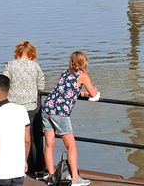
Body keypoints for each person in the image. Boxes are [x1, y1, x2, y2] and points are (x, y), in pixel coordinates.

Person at [41, 51, 100, 186]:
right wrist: (93, 92)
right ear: (84, 62)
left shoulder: (65, 72)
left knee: (49, 144)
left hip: (47, 107)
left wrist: (82, 93)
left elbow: (67, 90)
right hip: (61, 113)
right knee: (71, 146)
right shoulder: (83, 75)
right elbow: (94, 95)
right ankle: (75, 178)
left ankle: (51, 177)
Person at [3, 41, 46, 177]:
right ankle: (35, 168)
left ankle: (15, 164)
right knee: (32, 137)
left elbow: (3, 82)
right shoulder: (35, 66)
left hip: (13, 106)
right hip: (31, 107)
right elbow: (41, 87)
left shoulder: (10, 65)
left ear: (18, 53)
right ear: (31, 54)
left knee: (13, 136)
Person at [0, 73, 31, 186]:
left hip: (0, 175)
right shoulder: (22, 110)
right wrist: (24, 161)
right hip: (18, 171)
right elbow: (27, 141)